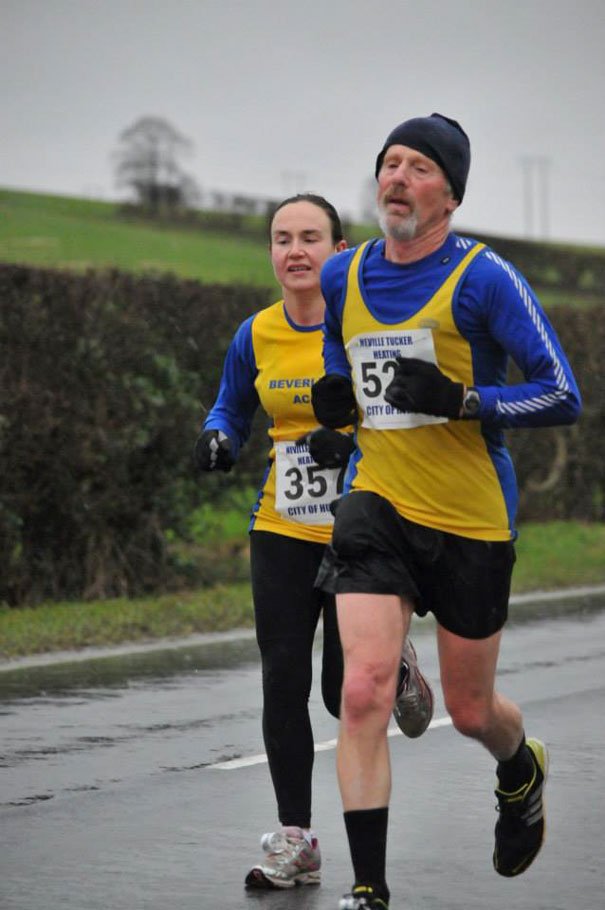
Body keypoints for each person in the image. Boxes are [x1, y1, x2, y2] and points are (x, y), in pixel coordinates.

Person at [310, 114, 582, 909]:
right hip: (376, 501)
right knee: (359, 690)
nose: (396, 177)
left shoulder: (485, 278)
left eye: (418, 167)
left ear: (450, 193)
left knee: (469, 711)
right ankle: (368, 888)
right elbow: (339, 352)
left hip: (469, 515)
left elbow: (562, 392)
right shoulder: (342, 274)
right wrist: (335, 396)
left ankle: (518, 767)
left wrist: (465, 399)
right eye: (388, 163)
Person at [193, 193, 434, 891]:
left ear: (336, 249)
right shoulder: (256, 332)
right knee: (281, 679)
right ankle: (294, 839)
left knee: (340, 695)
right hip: (279, 528)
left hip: (363, 526)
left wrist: (350, 440)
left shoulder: (362, 326)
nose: (294, 250)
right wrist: (219, 436)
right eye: (281, 239)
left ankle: (394, 663)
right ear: (271, 252)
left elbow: (406, 416)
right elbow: (231, 402)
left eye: (308, 237)